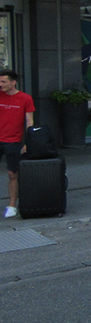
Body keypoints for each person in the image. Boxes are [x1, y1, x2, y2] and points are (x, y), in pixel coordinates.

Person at [0, 69, 35, 218]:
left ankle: (12, 205)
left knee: (12, 173)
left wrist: (28, 141)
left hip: (13, 140)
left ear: (13, 82)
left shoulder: (25, 98)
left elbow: (29, 121)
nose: (1, 84)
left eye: (3, 81)